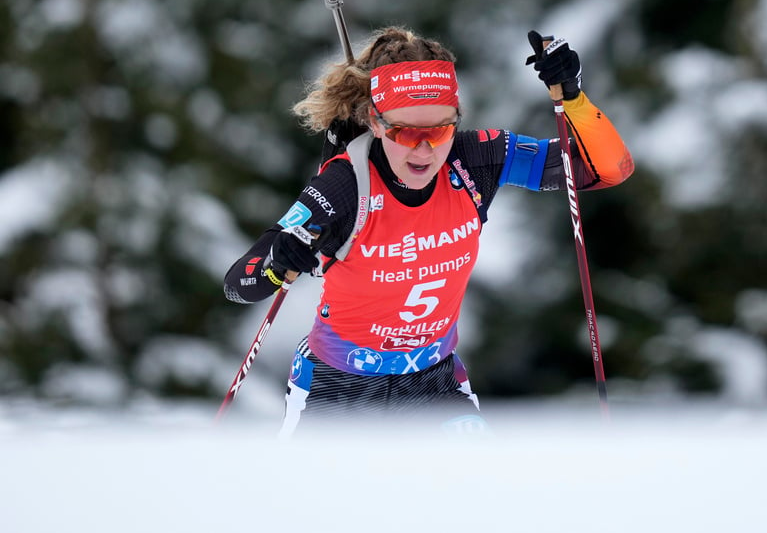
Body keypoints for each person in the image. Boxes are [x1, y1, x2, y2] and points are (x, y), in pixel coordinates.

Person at [223, 26, 634, 435]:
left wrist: (574, 98)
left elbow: (607, 169)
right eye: (406, 132)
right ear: (377, 122)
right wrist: (279, 263)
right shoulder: (346, 185)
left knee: (478, 494)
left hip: (433, 383)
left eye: (439, 130)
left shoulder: (477, 160)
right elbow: (239, 284)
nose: (424, 150)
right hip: (338, 387)